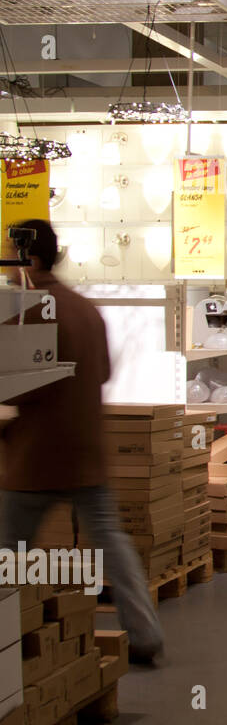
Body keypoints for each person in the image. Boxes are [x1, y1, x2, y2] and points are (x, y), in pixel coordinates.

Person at [0, 219, 164, 663]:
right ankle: (145, 634)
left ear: (26, 257)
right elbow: (105, 372)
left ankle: (6, 638)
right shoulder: (86, 309)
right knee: (112, 542)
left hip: (36, 457)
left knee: (9, 549)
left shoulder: (32, 310)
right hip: (88, 452)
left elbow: (19, 385)